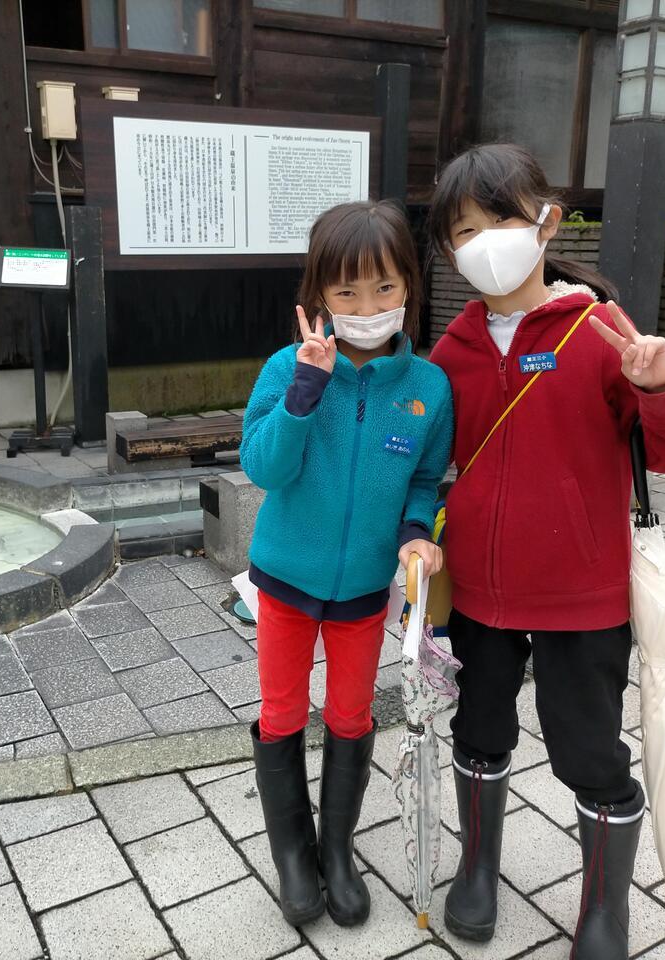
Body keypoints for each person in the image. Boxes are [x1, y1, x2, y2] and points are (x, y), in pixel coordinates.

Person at [426, 143, 665, 958]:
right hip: (479, 591)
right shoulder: (453, 351)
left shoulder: (597, 331)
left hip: (583, 594)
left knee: (589, 751)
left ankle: (605, 912)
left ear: (547, 223)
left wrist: (661, 386)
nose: (485, 243)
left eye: (501, 220)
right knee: (478, 729)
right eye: (465, 231)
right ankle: (478, 869)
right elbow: (424, 462)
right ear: (448, 249)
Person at [241, 200, 453, 928]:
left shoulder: (428, 387)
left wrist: (417, 532)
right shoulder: (287, 367)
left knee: (352, 715)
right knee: (280, 713)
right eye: (347, 292)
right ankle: (293, 857)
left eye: (385, 287)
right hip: (285, 582)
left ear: (408, 287)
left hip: (365, 589)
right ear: (319, 296)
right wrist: (305, 391)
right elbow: (263, 467)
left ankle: (336, 851)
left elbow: (424, 480)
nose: (367, 308)